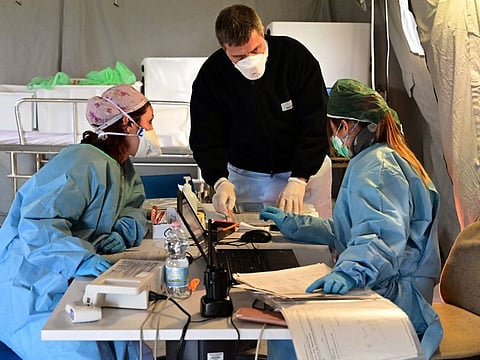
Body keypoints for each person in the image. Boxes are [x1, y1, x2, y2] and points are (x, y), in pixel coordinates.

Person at [260, 79, 443, 359]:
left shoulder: (377, 166)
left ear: (344, 126)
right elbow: (354, 230)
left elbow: (380, 235)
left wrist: (350, 271)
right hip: (388, 283)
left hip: (395, 300)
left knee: (290, 332)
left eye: (333, 129)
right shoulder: (383, 157)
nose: (333, 138)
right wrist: (296, 225)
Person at [0, 84, 158, 359]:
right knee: (86, 352)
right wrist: (79, 259)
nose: (153, 131)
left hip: (70, 274)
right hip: (36, 284)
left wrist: (122, 231)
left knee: (131, 344)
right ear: (127, 123)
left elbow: (133, 206)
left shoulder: (120, 165)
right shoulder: (80, 161)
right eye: (149, 122)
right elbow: (37, 224)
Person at [189, 4, 329, 216]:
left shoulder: (296, 59)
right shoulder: (211, 76)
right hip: (246, 176)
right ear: (224, 48)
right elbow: (205, 138)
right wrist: (219, 181)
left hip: (303, 172)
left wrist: (299, 178)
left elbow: (316, 123)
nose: (250, 61)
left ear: (262, 31)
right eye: (239, 57)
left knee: (314, 238)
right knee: (249, 237)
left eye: (255, 50)